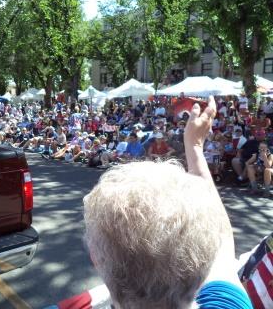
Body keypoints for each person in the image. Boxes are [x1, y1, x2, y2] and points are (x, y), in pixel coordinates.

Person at [83, 97, 252, 309]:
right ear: (204, 260)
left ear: (96, 259)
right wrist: (195, 145)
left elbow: (219, 236)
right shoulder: (228, 305)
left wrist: (193, 144)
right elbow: (221, 236)